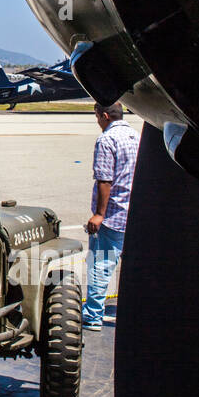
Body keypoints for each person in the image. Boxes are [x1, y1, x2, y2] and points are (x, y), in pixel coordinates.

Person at [84, 101, 139, 331]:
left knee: (100, 265)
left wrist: (99, 214)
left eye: (97, 116)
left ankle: (93, 316)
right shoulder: (135, 136)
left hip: (113, 216)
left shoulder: (106, 140)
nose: (97, 121)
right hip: (132, 214)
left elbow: (105, 179)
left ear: (105, 116)